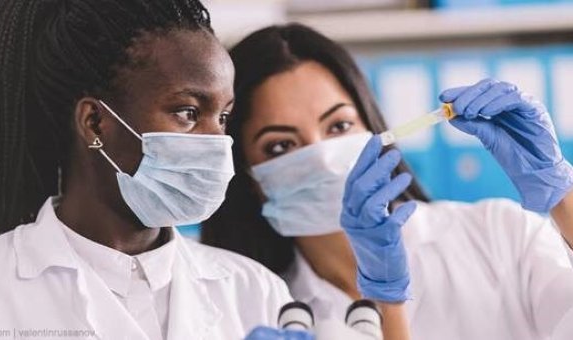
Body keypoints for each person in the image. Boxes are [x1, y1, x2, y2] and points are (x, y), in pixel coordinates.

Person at [201, 23, 573, 340]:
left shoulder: (498, 234)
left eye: (339, 126)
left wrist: (562, 195)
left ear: (373, 128)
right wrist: (387, 302)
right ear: (247, 175)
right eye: (281, 145)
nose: (323, 157)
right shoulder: (263, 309)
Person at [0, 1, 302, 339]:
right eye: (188, 112)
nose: (217, 142)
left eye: (223, 117)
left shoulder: (255, 292)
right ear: (96, 123)